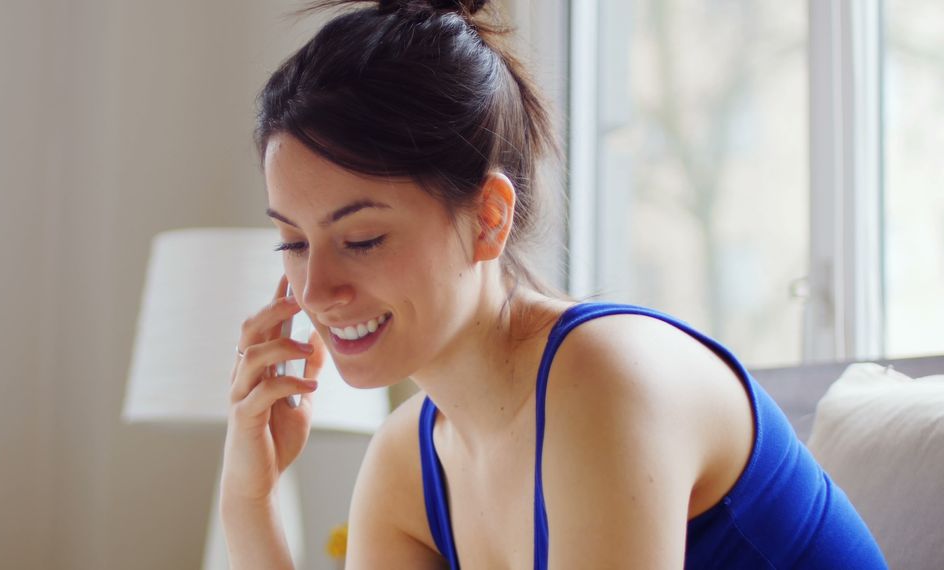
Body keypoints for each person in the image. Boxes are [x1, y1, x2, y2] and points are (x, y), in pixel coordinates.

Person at [220, 0, 887, 568]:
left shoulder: (605, 380)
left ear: (488, 218)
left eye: (362, 239)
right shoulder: (407, 462)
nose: (315, 289)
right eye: (295, 242)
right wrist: (249, 501)